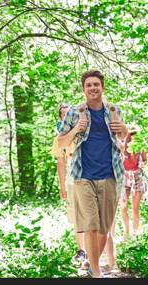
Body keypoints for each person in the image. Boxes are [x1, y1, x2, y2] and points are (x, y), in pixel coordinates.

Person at [58, 70, 127, 278]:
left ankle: (91, 262)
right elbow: (61, 142)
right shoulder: (74, 112)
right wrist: (75, 129)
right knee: (90, 225)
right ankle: (97, 274)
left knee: (104, 229)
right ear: (83, 89)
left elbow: (122, 139)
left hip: (110, 174)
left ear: (102, 87)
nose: (93, 88)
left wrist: (123, 129)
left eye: (96, 84)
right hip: (83, 175)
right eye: (88, 85)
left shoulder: (114, 110)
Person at [51, 104, 86, 263]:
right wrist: (62, 185)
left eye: (68, 115)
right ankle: (81, 250)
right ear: (60, 118)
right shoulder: (59, 139)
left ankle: (97, 249)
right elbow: (61, 163)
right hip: (72, 179)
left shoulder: (85, 132)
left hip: (89, 175)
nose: (66, 118)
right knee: (77, 214)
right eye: (63, 115)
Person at [120, 125, 148, 237]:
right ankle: (127, 233)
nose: (133, 139)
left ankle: (135, 233)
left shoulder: (141, 146)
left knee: (135, 207)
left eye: (136, 136)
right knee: (123, 205)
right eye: (131, 136)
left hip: (137, 176)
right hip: (124, 176)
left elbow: (145, 162)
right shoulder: (122, 146)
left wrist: (139, 156)